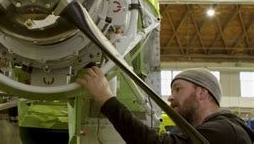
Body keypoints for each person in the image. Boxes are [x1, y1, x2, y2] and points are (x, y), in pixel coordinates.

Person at [77, 67, 254, 143]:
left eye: (178, 89)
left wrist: (106, 98)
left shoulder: (225, 130)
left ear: (202, 92)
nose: (170, 97)